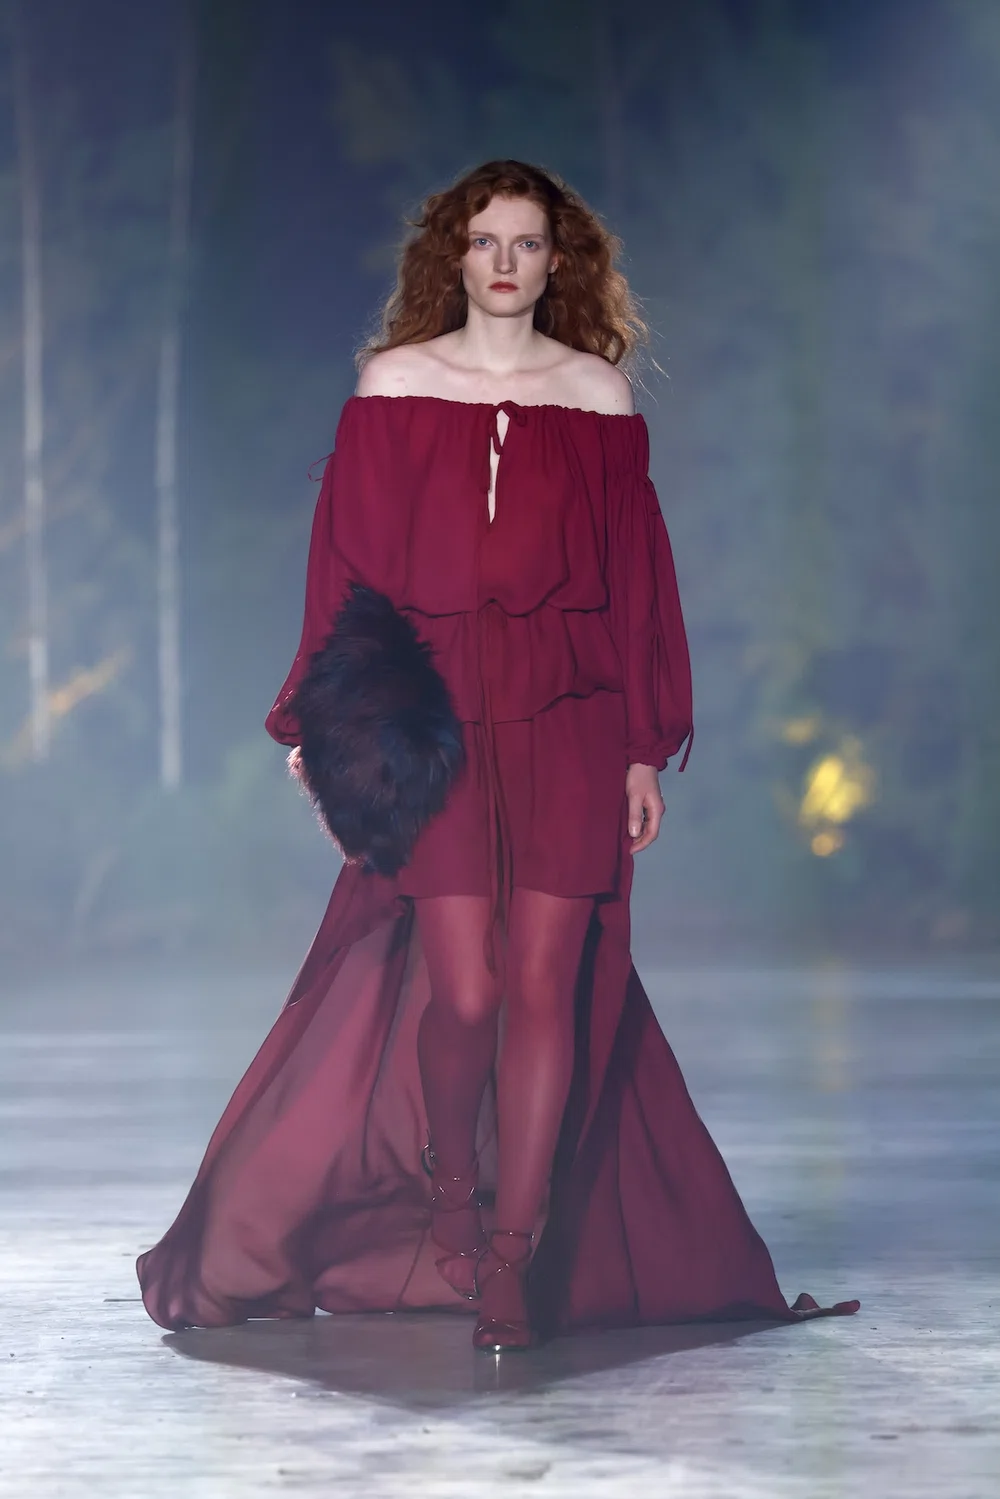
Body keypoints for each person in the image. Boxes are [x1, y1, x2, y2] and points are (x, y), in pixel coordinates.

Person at [136, 160, 858, 1353]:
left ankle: (512, 1256)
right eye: (485, 241)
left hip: (572, 715)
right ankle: (452, 1192)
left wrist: (641, 750)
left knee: (543, 988)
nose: (506, 262)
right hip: (440, 717)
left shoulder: (597, 396)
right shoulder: (395, 383)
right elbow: (347, 566)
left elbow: (633, 582)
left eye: (527, 242)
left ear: (558, 261)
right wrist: (323, 723)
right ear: (455, 255)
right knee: (464, 987)